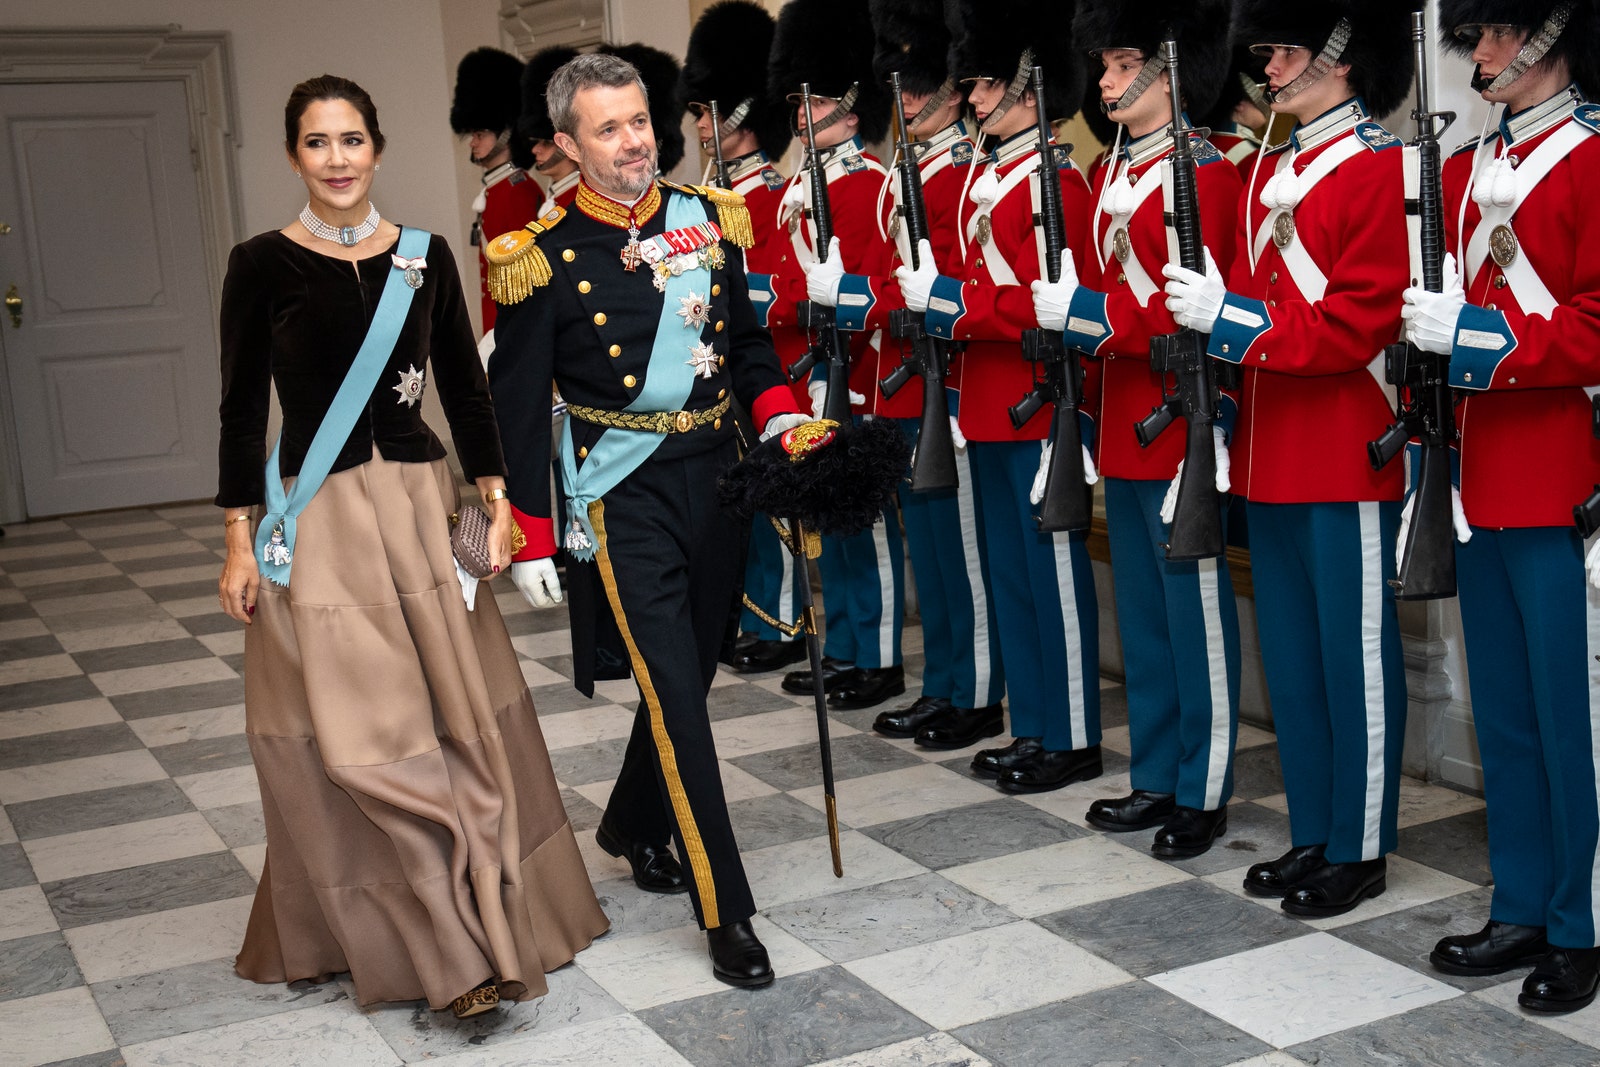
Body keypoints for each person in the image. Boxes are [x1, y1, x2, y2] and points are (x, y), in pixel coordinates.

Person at [215, 75, 608, 1020]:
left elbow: (468, 392)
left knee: (454, 720)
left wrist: (499, 499)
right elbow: (238, 411)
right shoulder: (261, 262)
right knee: (362, 740)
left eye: (353, 140)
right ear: (293, 156)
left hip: (423, 514)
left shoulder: (426, 258)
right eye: (318, 143)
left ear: (379, 149)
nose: (338, 159)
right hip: (321, 526)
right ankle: (435, 941)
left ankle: (481, 929)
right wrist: (237, 540)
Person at [486, 52, 806, 989]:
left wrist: (785, 418)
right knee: (675, 698)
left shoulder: (708, 219)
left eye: (639, 121)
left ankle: (628, 820)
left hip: (717, 478)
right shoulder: (539, 256)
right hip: (621, 495)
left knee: (690, 680)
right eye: (608, 128)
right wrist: (530, 536)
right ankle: (728, 908)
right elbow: (517, 404)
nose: (633, 142)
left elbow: (745, 344)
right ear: (568, 145)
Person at [1163, 0, 1415, 916]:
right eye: (1265, 51)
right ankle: (1316, 827)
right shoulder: (1276, 160)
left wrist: (1225, 320)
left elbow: (1349, 328)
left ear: (1344, 56)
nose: (1266, 67)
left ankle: (1361, 844)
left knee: (1354, 663)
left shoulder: (1380, 168)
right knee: (1296, 661)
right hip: (1270, 449)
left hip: (1342, 447)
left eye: (1287, 50)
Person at [1404, 0, 1600, 1013]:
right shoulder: (1458, 170)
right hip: (1472, 476)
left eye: (1491, 35)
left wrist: (1474, 336)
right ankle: (1523, 895)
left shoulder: (1591, 154)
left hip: (1559, 472)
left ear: (1549, 35)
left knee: (1571, 721)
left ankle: (1581, 920)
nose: (1475, 54)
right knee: (1509, 717)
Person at [1052, 0, 1243, 857]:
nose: (1104, 80)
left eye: (1121, 63)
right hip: (1126, 416)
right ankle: (1158, 772)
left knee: (1192, 611)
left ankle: (1203, 788)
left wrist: (1089, 316)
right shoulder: (1112, 172)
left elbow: (1192, 314)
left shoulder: (1209, 169)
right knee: (1143, 610)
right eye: (1103, 64)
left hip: (1180, 415)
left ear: (1168, 68)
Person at [896, 0, 1104, 785]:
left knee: (1050, 575)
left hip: (1036, 402)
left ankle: (1074, 733)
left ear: (1027, 84)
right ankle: (1037, 722)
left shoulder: (1056, 180)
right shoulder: (993, 177)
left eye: (986, 86)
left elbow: (1051, 307)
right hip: (986, 403)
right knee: (1012, 579)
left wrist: (950, 302)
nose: (974, 100)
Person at [837, 0, 1007, 744]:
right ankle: (944, 680)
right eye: (898, 90)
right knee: (933, 552)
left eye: (918, 87)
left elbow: (960, 282)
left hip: (944, 382)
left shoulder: (964, 171)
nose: (905, 101)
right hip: (897, 378)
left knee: (960, 553)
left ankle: (972, 690)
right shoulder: (908, 169)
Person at [766, 0, 908, 713]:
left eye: (817, 100)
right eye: (800, 99)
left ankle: (876, 654)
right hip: (813, 375)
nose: (802, 113)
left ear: (853, 109)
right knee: (829, 519)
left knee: (862, 522)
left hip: (854, 375)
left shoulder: (868, 184)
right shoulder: (806, 183)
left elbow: (874, 288)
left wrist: (821, 298)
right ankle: (846, 644)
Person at [678, 0, 812, 676]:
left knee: (773, 502)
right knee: (740, 502)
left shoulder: (770, 193)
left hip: (771, 364)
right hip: (717, 370)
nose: (701, 124)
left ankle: (785, 618)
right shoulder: (705, 198)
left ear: (737, 112)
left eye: (708, 111)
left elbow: (781, 287)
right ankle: (756, 611)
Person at [450, 47, 543, 336]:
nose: (472, 142)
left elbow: (521, 283)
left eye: (480, 134)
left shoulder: (518, 192)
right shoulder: (498, 189)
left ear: (506, 133)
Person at [515, 47, 584, 217]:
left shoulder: (581, 201)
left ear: (568, 144)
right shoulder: (556, 194)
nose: (535, 149)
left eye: (546, 142)